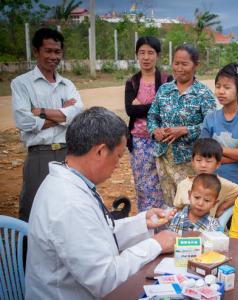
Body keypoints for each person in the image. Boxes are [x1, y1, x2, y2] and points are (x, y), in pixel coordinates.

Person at [26, 107, 178, 299]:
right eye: (118, 156)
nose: (117, 165)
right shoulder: (70, 204)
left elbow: (96, 234)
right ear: (100, 151)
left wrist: (141, 223)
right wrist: (155, 244)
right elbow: (105, 279)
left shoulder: (71, 180)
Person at [11, 27, 84, 222]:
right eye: (48, 51)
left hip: (67, 154)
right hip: (39, 155)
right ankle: (26, 251)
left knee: (68, 207)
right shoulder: (22, 84)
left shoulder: (67, 85)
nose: (53, 56)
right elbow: (23, 121)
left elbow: (77, 114)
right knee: (32, 209)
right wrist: (62, 116)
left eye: (57, 52)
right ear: (36, 51)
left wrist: (40, 112)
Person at [148, 44, 216, 205]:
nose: (179, 68)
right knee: (169, 201)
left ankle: (188, 230)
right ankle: (172, 229)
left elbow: (212, 124)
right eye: (176, 63)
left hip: (189, 160)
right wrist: (154, 130)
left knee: (188, 202)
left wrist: (187, 130)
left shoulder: (203, 93)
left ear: (196, 65)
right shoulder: (164, 90)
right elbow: (152, 116)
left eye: (185, 64)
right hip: (164, 156)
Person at [125, 36, 173, 211]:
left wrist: (141, 105)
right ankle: (146, 227)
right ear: (137, 55)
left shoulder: (167, 80)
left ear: (158, 55)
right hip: (139, 142)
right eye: (142, 53)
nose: (146, 57)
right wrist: (155, 104)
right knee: (143, 186)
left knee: (163, 184)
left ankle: (165, 227)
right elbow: (130, 111)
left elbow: (167, 109)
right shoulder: (132, 82)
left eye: (150, 53)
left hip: (163, 139)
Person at [173, 138, 238, 228]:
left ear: (218, 164)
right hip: (184, 231)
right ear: (192, 161)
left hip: (208, 230)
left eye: (208, 161)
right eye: (198, 160)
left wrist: (223, 207)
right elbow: (178, 208)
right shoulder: (183, 185)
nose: (203, 165)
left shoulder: (221, 184)